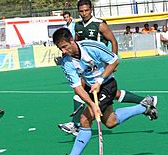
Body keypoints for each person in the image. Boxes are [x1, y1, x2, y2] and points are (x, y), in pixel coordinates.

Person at [52, 28, 158, 155]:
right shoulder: (67, 63)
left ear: (72, 41)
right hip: (92, 89)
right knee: (111, 122)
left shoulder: (91, 47)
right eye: (60, 49)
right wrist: (91, 103)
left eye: (64, 47)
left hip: (107, 84)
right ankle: (144, 107)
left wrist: (100, 81)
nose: (63, 51)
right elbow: (77, 87)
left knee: (84, 119)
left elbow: (114, 61)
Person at [58, 0, 158, 136]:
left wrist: (113, 61)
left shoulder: (99, 24)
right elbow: (75, 42)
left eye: (86, 10)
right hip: (86, 65)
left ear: (91, 9)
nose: (84, 13)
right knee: (107, 93)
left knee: (97, 92)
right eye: (81, 11)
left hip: (101, 65)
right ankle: (145, 102)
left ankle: (76, 124)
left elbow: (113, 41)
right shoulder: (78, 26)